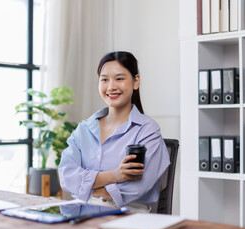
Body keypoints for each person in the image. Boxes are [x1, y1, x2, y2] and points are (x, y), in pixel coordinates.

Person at [58, 51, 170, 212]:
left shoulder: (147, 130)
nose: (111, 86)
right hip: (80, 218)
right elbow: (66, 176)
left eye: (119, 78)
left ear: (135, 82)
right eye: (104, 79)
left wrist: (87, 188)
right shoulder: (84, 129)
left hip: (125, 220)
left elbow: (137, 188)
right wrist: (115, 176)